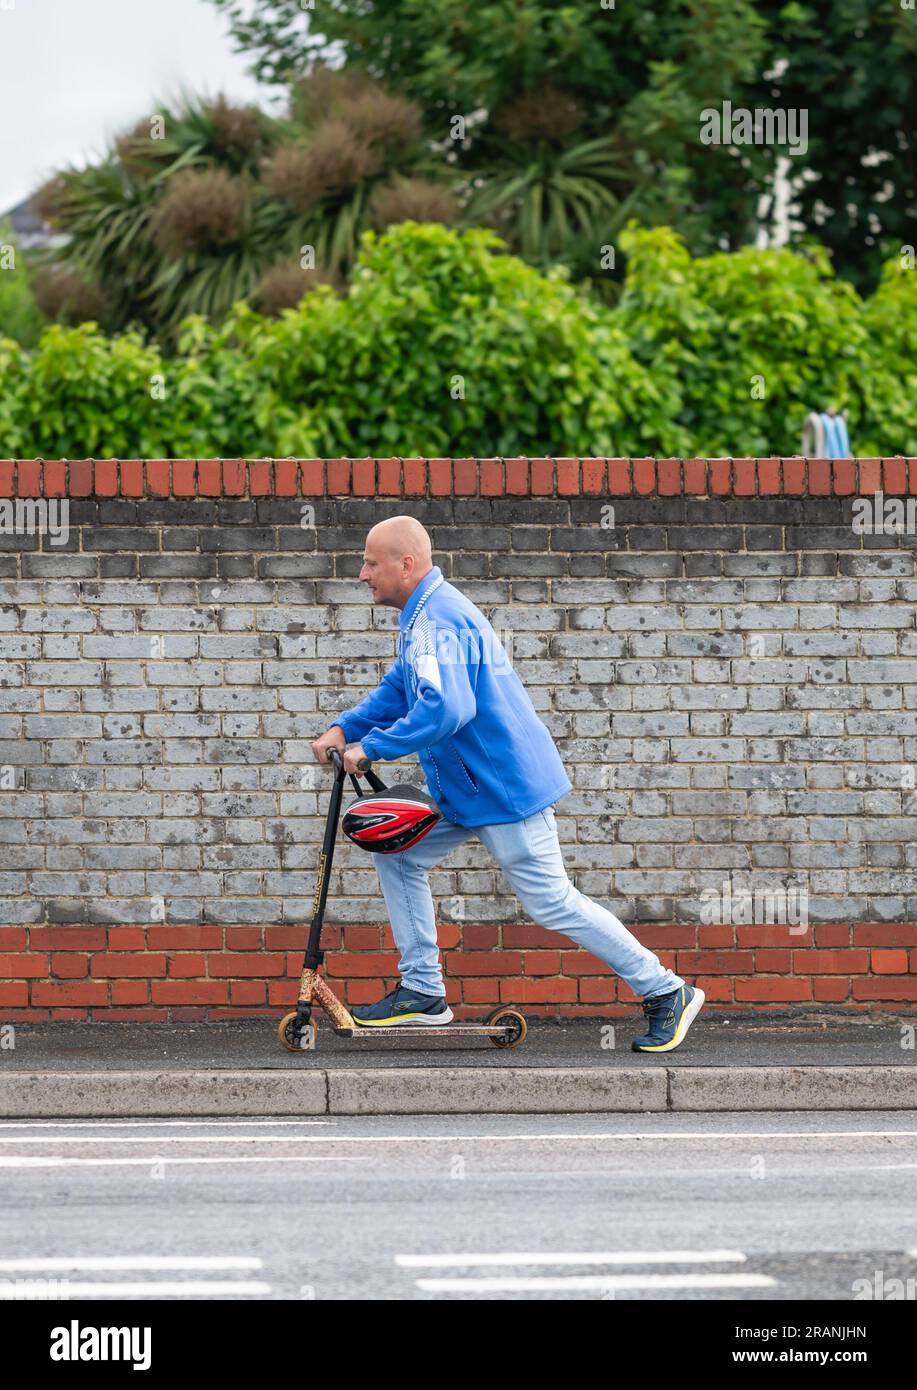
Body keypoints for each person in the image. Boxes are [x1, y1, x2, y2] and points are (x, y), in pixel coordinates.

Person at [310, 516, 704, 1053]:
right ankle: (423, 992)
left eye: (371, 563)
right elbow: (401, 687)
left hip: (503, 789)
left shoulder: (436, 622)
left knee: (552, 902)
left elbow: (448, 707)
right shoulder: (425, 614)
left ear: (407, 564)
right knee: (398, 855)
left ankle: (666, 990)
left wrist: (371, 748)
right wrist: (346, 726)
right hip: (467, 788)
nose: (361, 574)